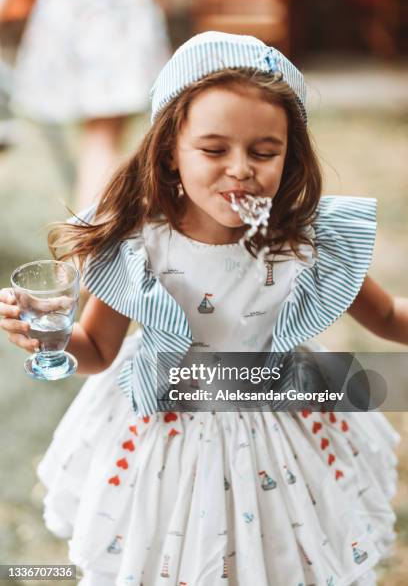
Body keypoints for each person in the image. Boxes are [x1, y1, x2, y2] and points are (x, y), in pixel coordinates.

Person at [1, 31, 408, 586]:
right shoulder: (139, 246)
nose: (240, 169)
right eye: (214, 149)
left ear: (289, 156)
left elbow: (387, 319)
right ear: (170, 149)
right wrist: (50, 336)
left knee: (285, 555)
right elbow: (97, 349)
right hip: (167, 438)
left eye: (264, 152)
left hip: (279, 431)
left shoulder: (305, 240)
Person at [0, 0, 171, 209]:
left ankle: (92, 225)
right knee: (100, 141)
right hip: (109, 9)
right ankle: (93, 234)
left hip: (79, 6)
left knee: (98, 142)